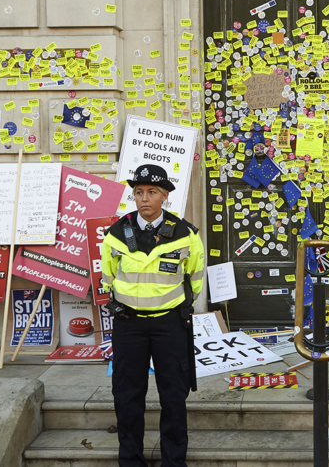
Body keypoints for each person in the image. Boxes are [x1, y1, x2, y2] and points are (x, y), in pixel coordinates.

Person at [100, 164, 204, 467]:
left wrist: (176, 307)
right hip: (128, 325)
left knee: (173, 395)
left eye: (152, 192)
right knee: (127, 395)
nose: (145, 198)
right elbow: (109, 275)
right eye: (139, 192)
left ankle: (174, 461)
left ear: (165, 197)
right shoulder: (117, 233)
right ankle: (130, 460)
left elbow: (194, 278)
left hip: (169, 325)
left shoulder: (185, 234)